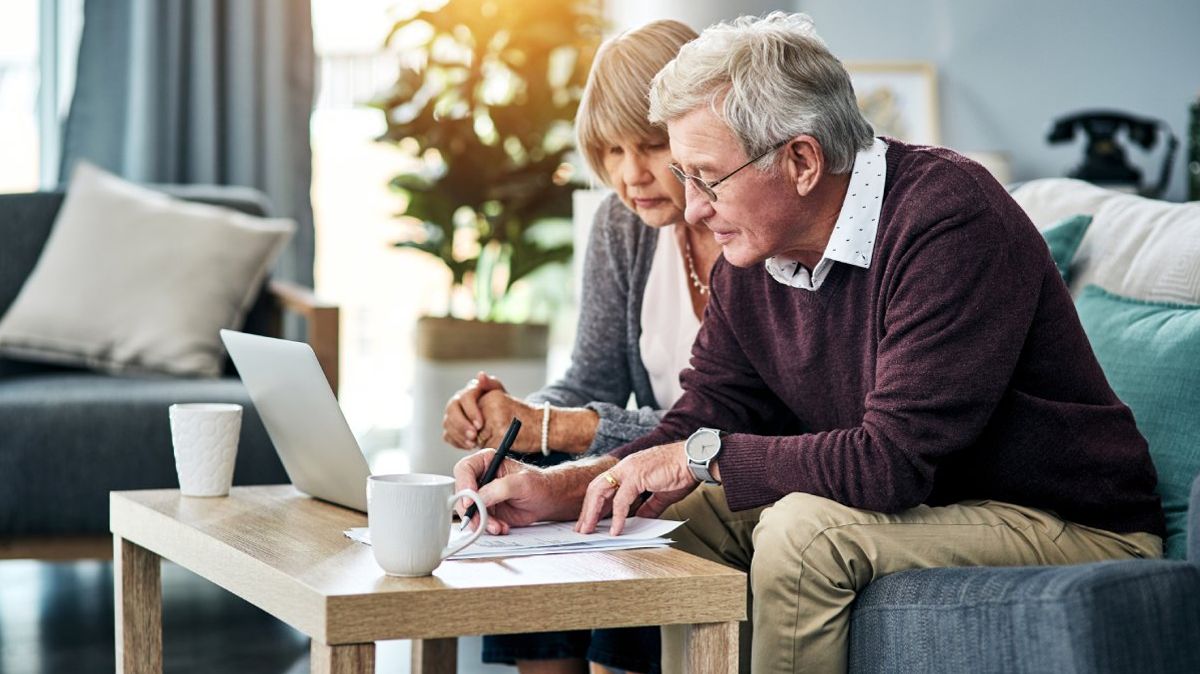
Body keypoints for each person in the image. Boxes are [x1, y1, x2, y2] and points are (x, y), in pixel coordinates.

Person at [454, 11, 1166, 673]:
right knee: (664, 517)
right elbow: (700, 418)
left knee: (805, 533)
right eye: (685, 177)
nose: (693, 209)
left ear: (800, 160)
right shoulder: (758, 248)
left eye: (708, 178)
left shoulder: (948, 219)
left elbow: (893, 462)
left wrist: (701, 456)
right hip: (933, 503)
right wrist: (559, 489)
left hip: (1062, 518)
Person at [441, 19, 707, 674]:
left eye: (649, 145)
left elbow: (728, 422)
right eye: (610, 150)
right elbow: (589, 375)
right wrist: (510, 422)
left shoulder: (747, 222)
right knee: (525, 515)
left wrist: (554, 428)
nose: (629, 175)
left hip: (707, 466)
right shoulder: (624, 225)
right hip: (636, 459)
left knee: (602, 515)